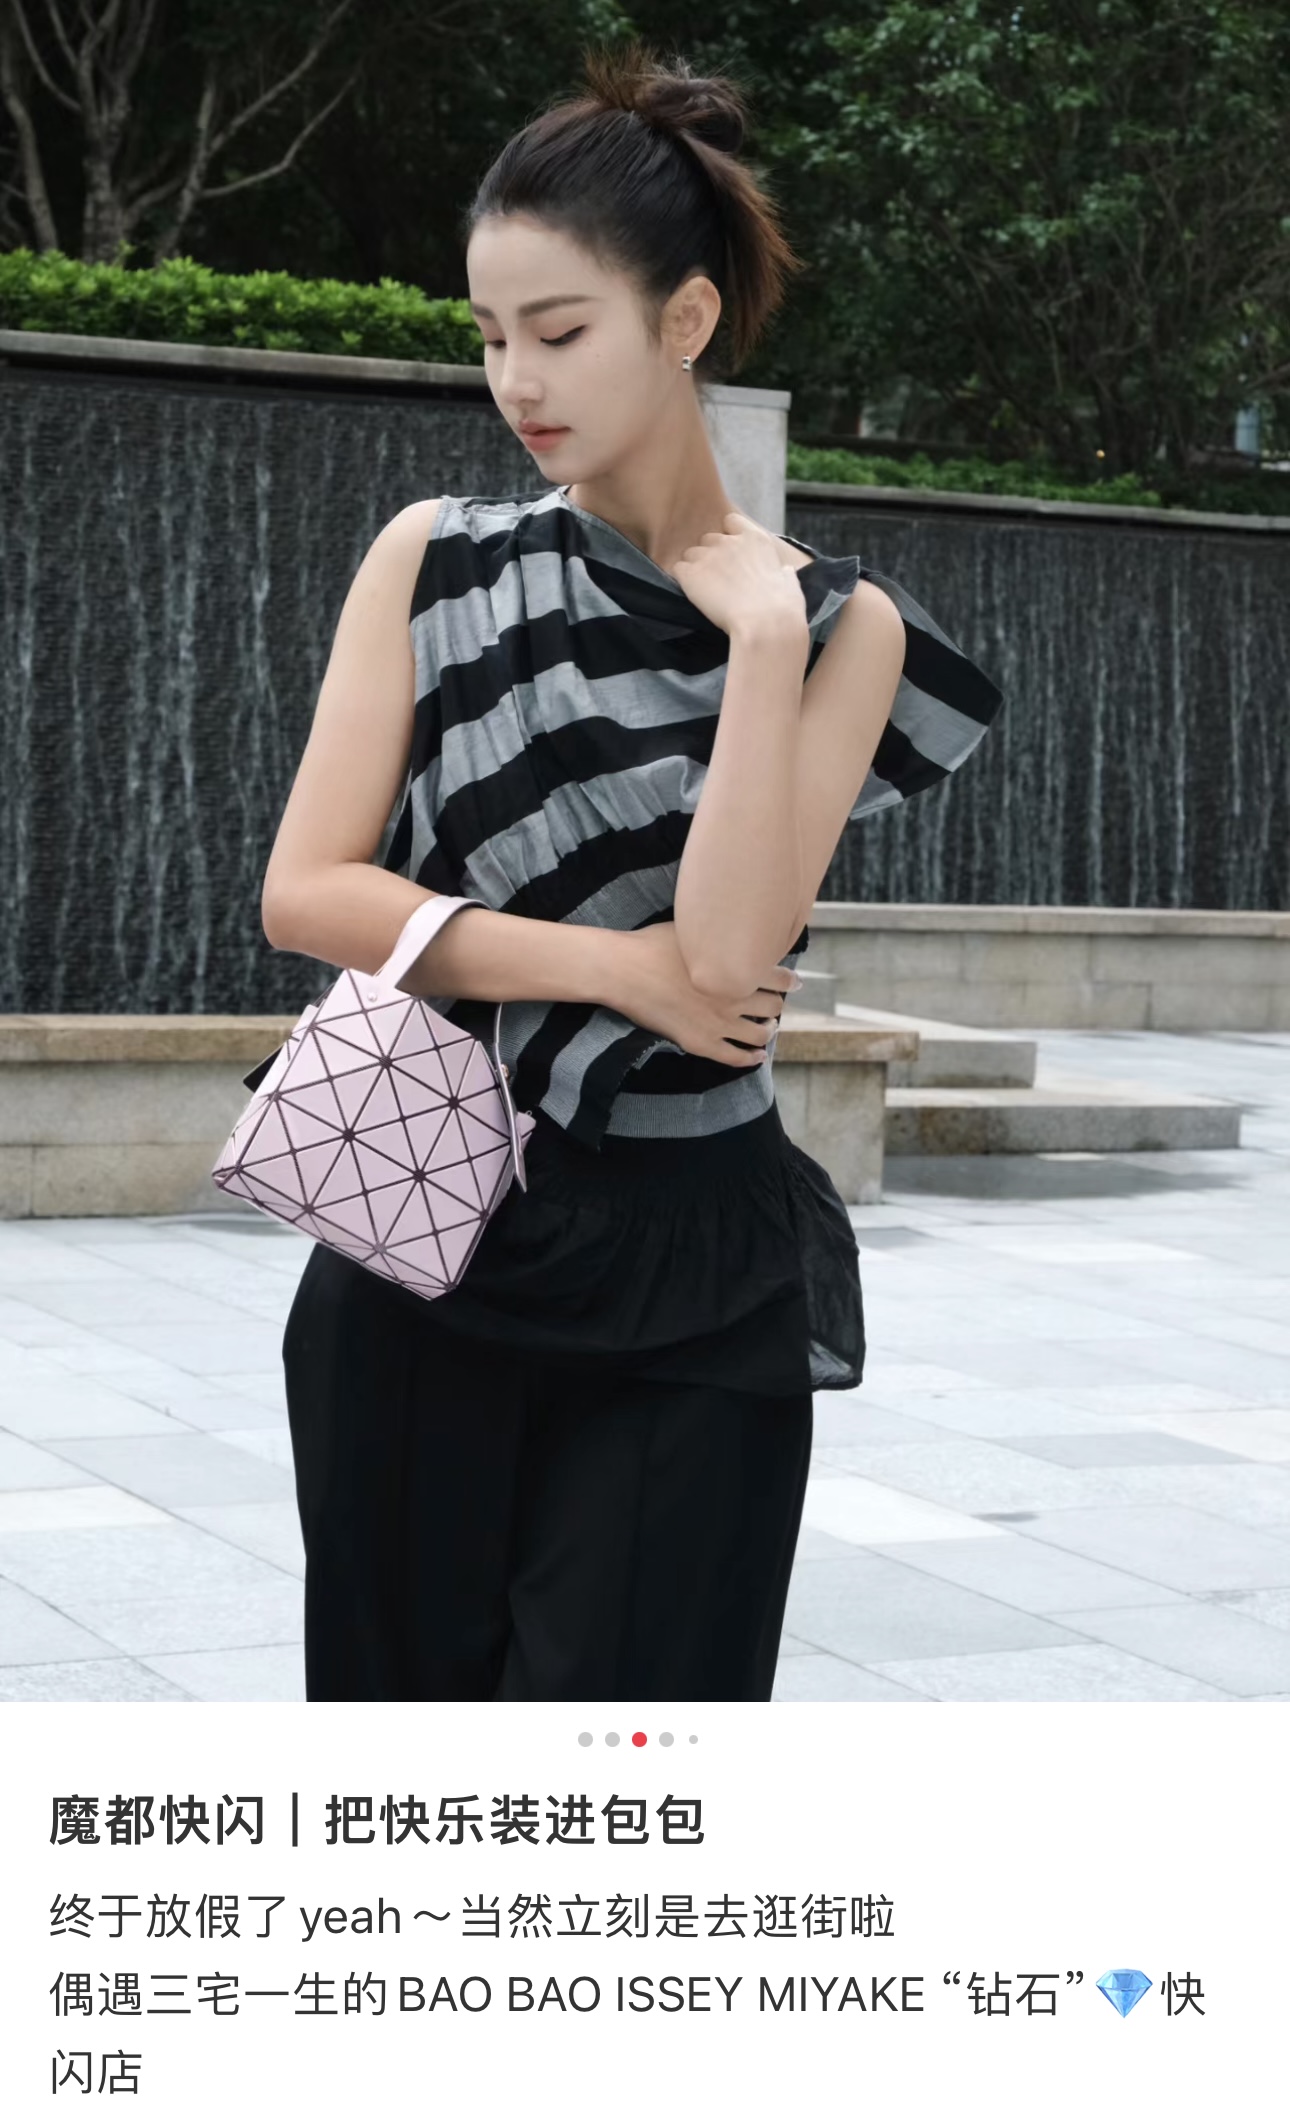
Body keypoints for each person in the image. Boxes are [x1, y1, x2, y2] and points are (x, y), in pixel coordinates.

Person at [263, 39, 1004, 1703]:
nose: (515, 379)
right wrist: (609, 967)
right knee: (397, 1730)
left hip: (689, 1257)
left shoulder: (843, 630)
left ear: (682, 321)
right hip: (421, 1203)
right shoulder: (432, 559)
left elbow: (728, 956)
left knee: (636, 1756)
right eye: (489, 334)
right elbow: (306, 893)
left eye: (559, 330)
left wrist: (759, 647)